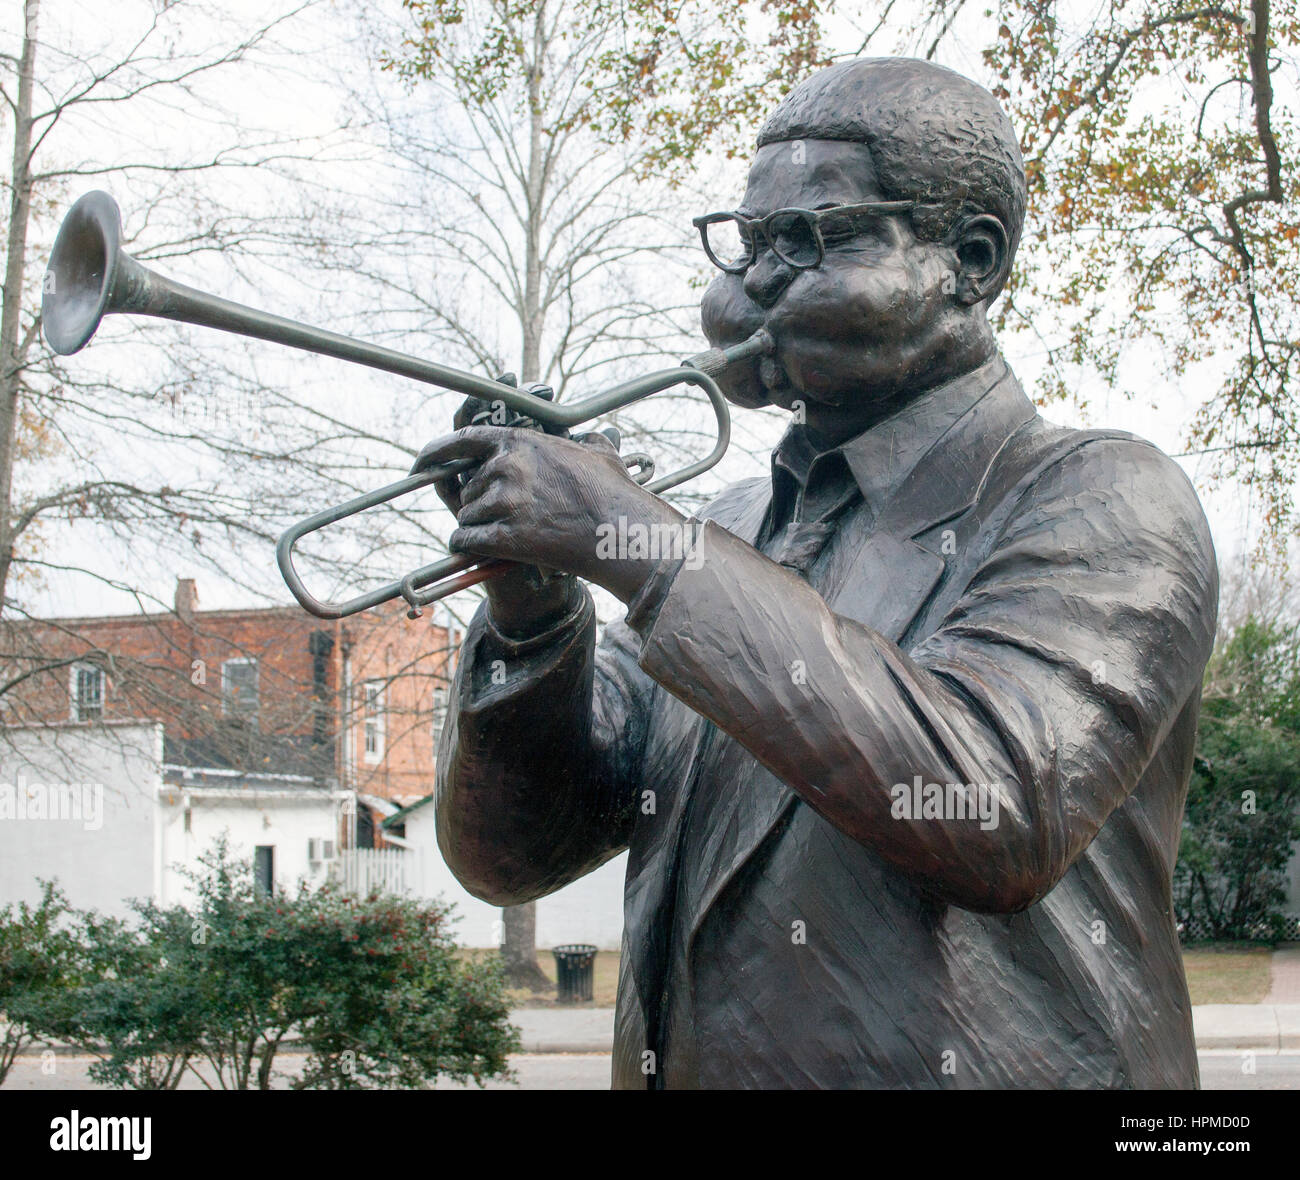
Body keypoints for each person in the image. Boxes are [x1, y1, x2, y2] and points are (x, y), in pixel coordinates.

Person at [414, 57, 1218, 1089]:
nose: (754, 282)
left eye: (810, 239)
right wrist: (535, 614)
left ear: (969, 259)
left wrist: (634, 539)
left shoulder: (1102, 495)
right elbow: (513, 859)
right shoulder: (727, 529)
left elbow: (994, 808)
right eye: (749, 244)